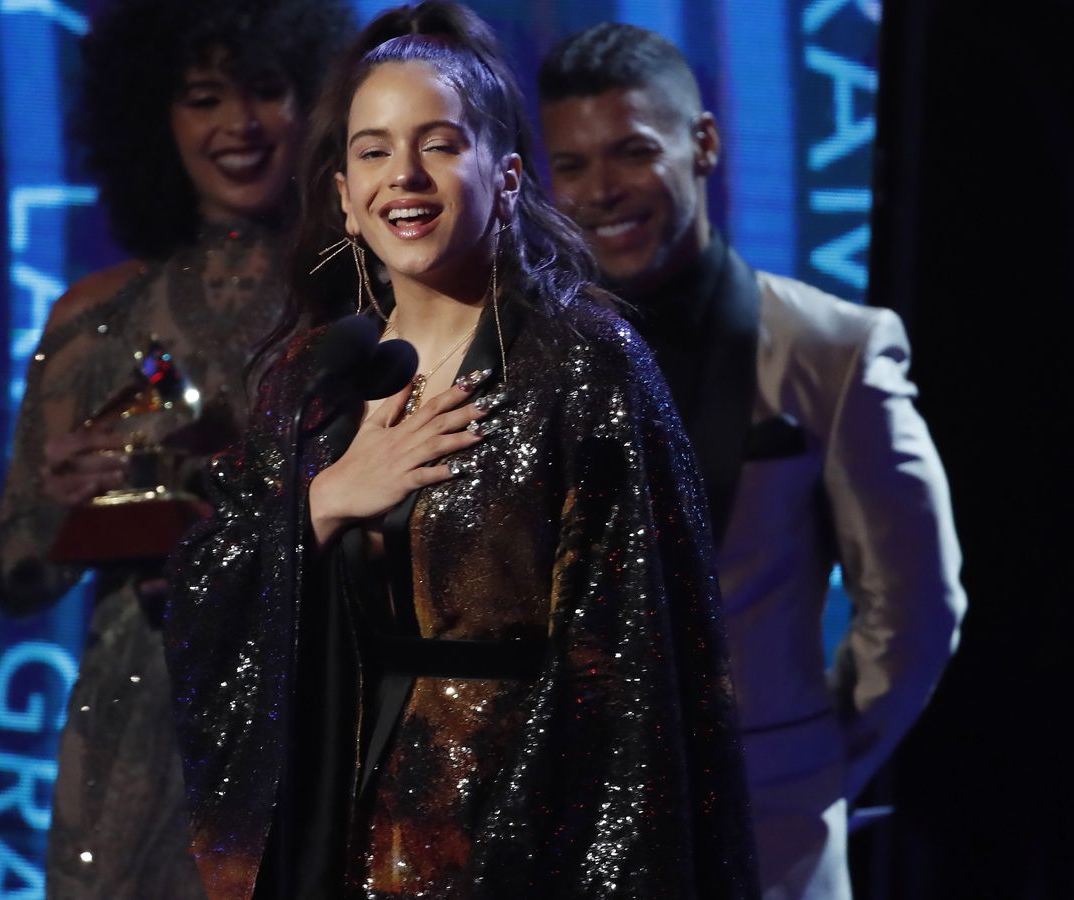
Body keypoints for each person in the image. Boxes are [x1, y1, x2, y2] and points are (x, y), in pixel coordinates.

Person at [166, 3, 759, 897]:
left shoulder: (582, 365)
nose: (403, 175)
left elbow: (633, 674)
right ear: (342, 199)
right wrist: (324, 502)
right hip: (334, 834)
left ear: (508, 176)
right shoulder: (314, 376)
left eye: (438, 144)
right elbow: (204, 597)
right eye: (372, 150)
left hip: (517, 832)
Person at [536, 23, 966, 900]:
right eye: (571, 166)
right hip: (567, 841)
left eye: (630, 151)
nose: (599, 191)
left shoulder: (834, 347)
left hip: (774, 843)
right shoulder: (529, 358)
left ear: (704, 144)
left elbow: (918, 606)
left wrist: (809, 765)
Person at [0, 0, 353, 895]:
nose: (238, 124)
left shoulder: (366, 298)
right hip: (139, 720)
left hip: (326, 696)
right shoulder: (93, 318)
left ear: (317, 102)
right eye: (201, 97)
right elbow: (16, 576)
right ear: (155, 115)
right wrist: (60, 500)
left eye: (266, 90)